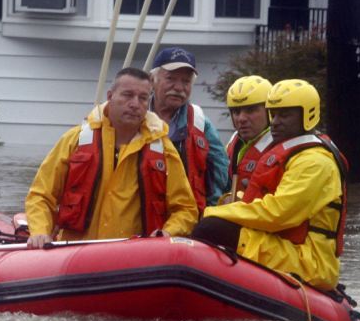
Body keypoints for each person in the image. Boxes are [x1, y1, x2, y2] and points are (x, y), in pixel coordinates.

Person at [192, 79, 349, 290]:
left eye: (284, 115)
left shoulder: (315, 162)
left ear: (307, 115)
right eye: (273, 114)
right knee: (211, 226)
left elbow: (278, 213)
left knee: (211, 227)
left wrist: (216, 213)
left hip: (310, 261)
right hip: (286, 247)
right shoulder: (291, 154)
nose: (274, 122)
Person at [23, 67, 198, 249]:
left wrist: (167, 232)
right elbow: (41, 195)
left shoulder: (163, 150)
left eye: (143, 98)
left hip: (135, 258)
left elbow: (185, 209)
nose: (135, 104)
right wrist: (40, 232)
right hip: (74, 253)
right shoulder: (75, 140)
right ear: (110, 96)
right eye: (127, 95)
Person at [149, 47, 230, 212]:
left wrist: (209, 213)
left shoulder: (200, 123)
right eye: (171, 78)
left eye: (186, 81)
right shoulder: (136, 116)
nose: (179, 87)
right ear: (152, 80)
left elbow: (220, 174)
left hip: (188, 220)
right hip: (142, 218)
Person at [224, 75, 274, 199]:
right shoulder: (234, 142)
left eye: (251, 110)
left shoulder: (282, 144)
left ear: (270, 112)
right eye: (236, 112)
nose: (241, 118)